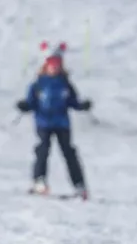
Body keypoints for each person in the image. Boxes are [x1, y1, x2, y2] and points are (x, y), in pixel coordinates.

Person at [15, 46, 91, 198]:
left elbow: (72, 102)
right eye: (51, 63)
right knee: (43, 150)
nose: (54, 67)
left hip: (62, 123)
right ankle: (39, 180)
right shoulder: (38, 85)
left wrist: (82, 105)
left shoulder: (65, 84)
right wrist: (25, 106)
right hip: (44, 123)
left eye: (57, 63)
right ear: (46, 65)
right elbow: (32, 102)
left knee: (68, 152)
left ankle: (79, 185)